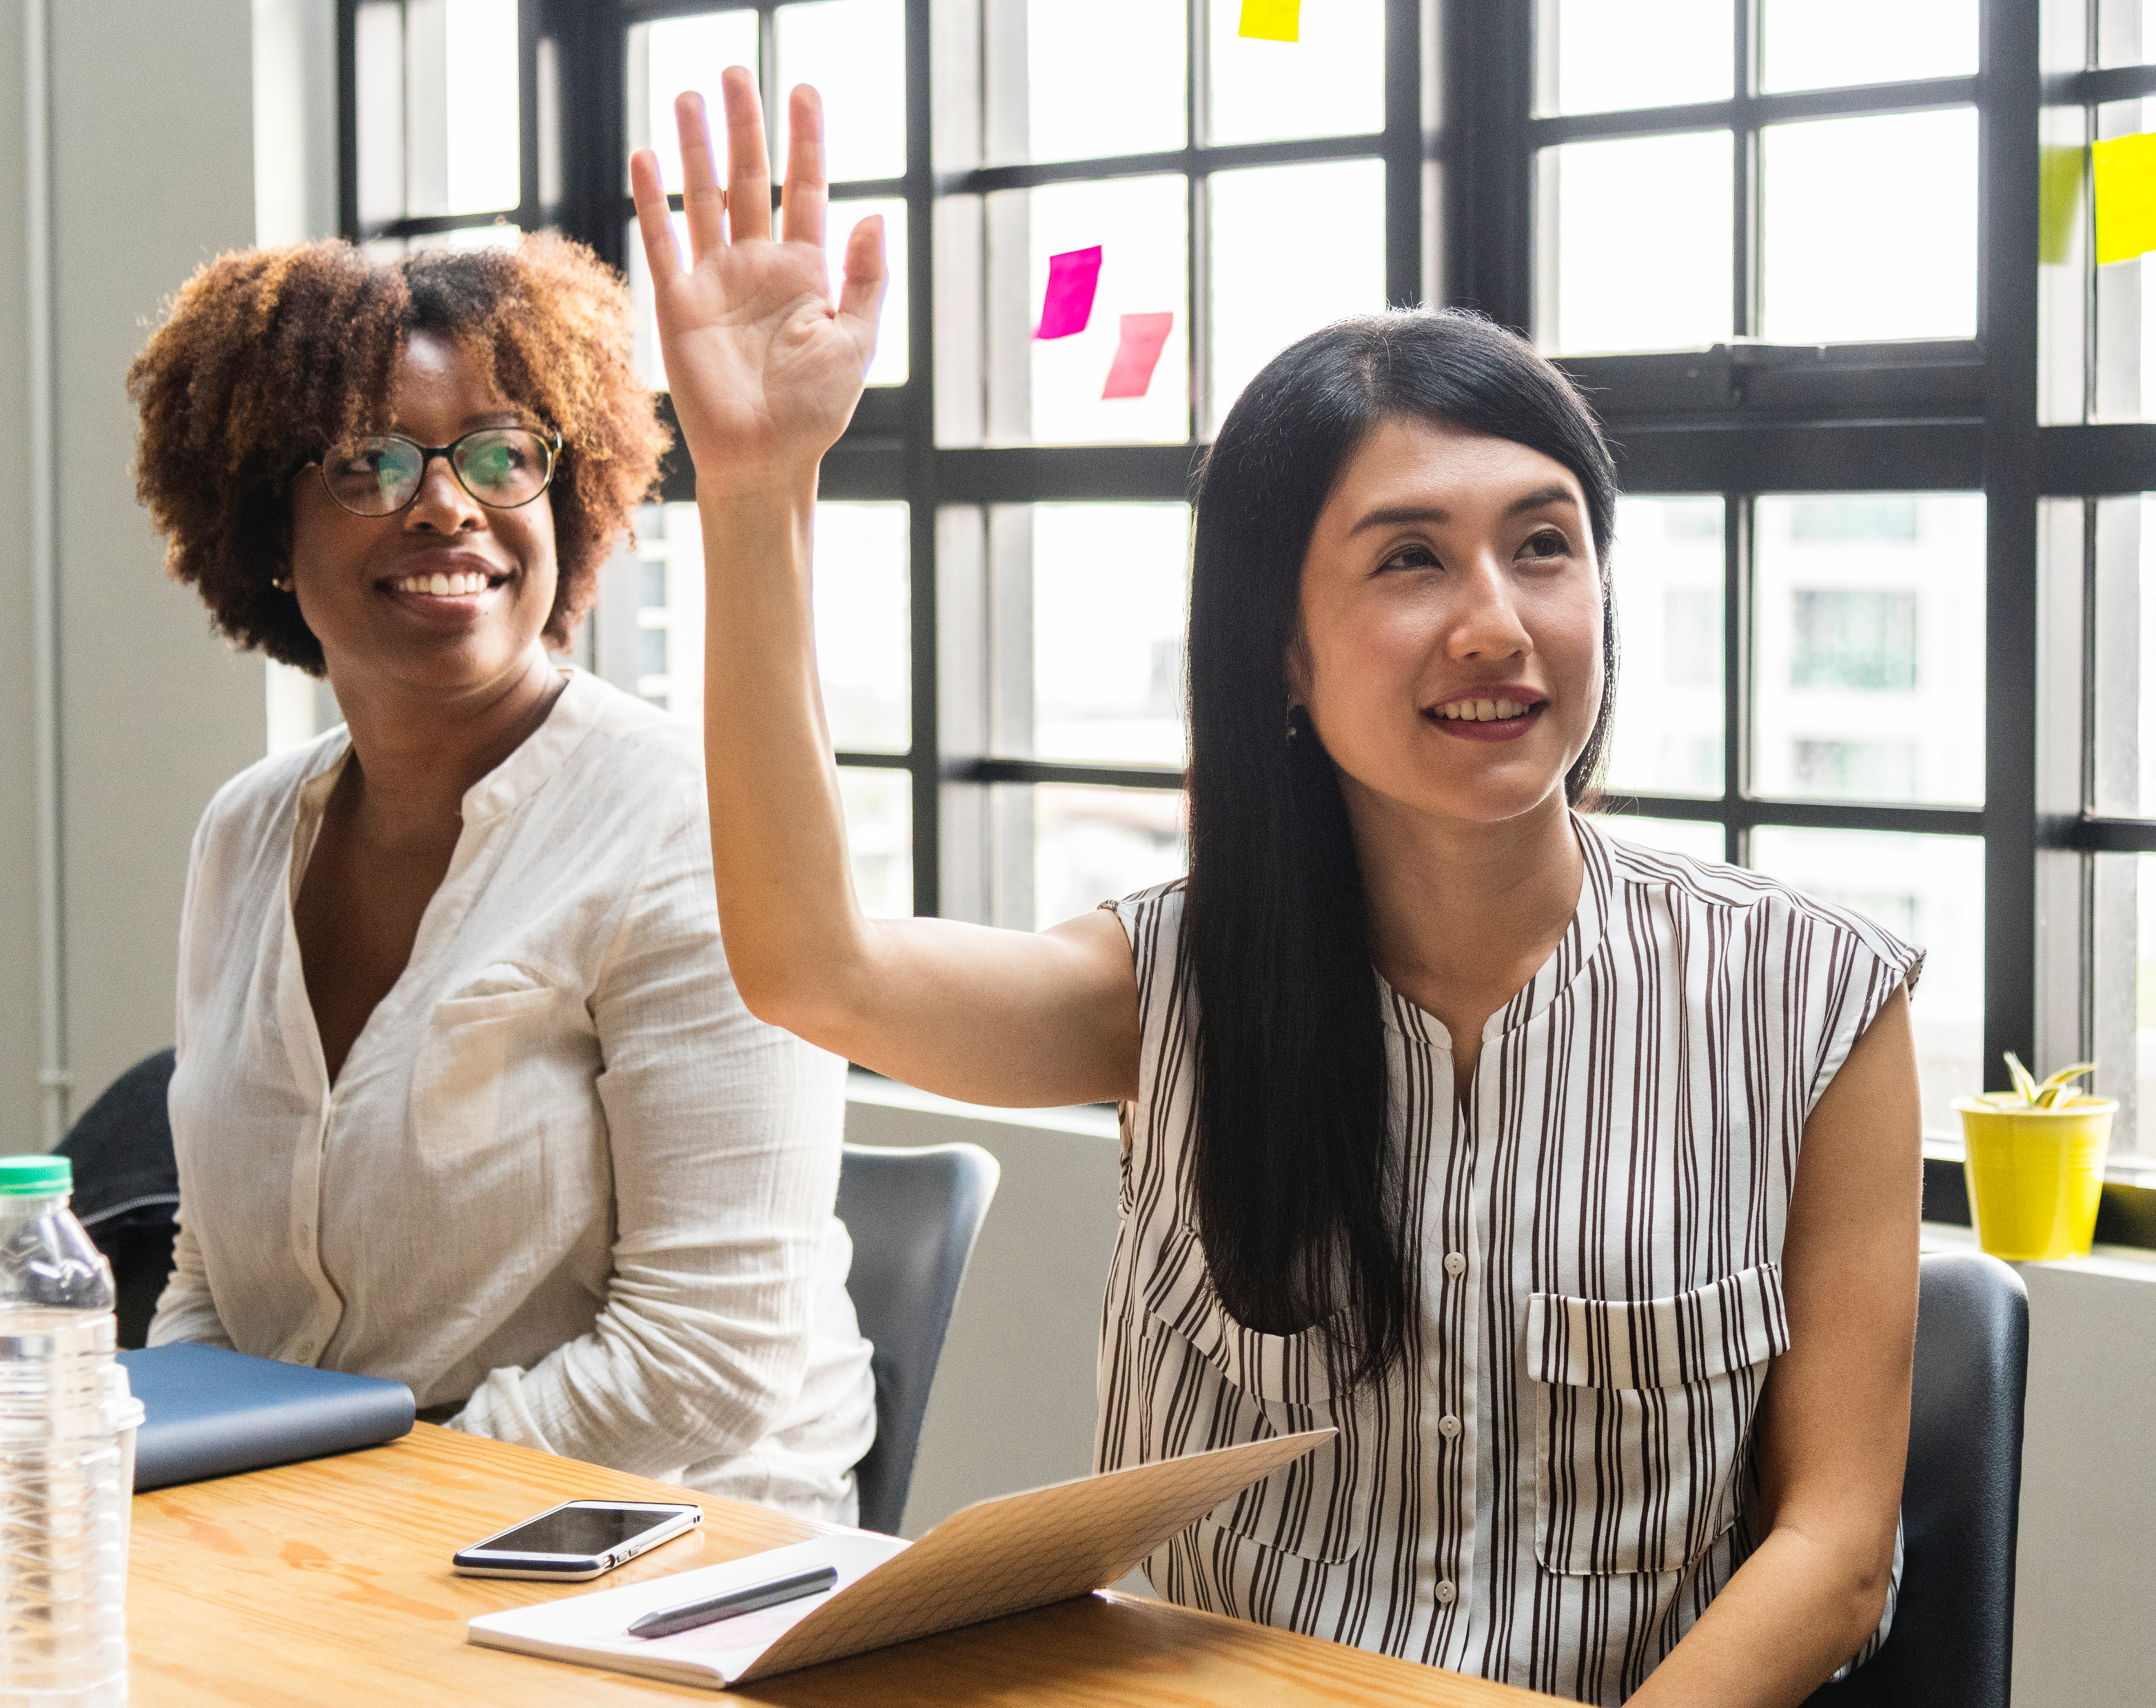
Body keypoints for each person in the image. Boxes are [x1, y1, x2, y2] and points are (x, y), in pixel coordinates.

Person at [633, 70, 1926, 1706]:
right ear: (1284, 657)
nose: (1496, 623)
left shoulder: (1810, 998)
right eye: (1408, 559)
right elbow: (810, 969)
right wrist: (758, 490)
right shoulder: (1167, 986)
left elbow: (1834, 1545)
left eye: (1543, 546)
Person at [126, 234, 876, 1523]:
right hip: (334, 1543)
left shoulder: (691, 821)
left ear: (564, 498)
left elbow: (705, 1363)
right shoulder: (244, 834)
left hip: (662, 1550)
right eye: (368, 463)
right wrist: (183, 1486)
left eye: (501, 453)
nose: (447, 505)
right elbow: (218, 1276)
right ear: (264, 526)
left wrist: (354, 1514)